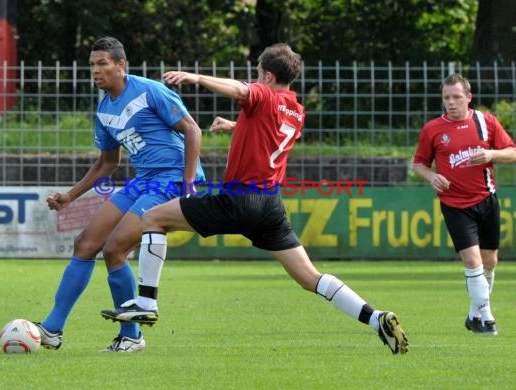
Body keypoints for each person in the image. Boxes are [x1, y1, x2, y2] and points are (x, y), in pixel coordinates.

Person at [100, 43, 409, 354]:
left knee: (152, 217)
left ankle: (147, 302)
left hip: (238, 200)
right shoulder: (296, 110)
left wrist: (196, 77)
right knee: (310, 277)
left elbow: (240, 90)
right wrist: (236, 125)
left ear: (268, 75)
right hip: (270, 207)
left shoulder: (263, 94)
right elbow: (269, 132)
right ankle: (375, 318)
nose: (255, 79)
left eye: (258, 74)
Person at [33, 36, 205, 352]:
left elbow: (193, 130)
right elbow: (108, 162)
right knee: (85, 243)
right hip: (142, 180)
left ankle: (132, 336)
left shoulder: (149, 90)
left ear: (120, 65)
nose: (95, 71)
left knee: (115, 249)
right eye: (92, 65)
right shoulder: (104, 109)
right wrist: (71, 196)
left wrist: (189, 183)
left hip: (170, 178)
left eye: (102, 64)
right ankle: (52, 329)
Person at [412, 73, 516, 335]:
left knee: (489, 262)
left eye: (456, 97)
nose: (451, 102)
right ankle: (487, 319)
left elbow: (512, 152)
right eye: (446, 97)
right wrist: (432, 176)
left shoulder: (486, 121)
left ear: (468, 98)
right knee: (472, 262)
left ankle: (474, 314)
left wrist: (492, 153)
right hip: (455, 204)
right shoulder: (432, 129)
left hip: (486, 199)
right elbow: (418, 164)